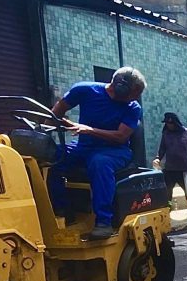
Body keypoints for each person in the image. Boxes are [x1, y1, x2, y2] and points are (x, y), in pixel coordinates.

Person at [48, 67, 146, 240]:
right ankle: (63, 210)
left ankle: (103, 222)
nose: (135, 98)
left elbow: (120, 137)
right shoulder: (85, 90)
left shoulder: (133, 108)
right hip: (83, 147)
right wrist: (58, 122)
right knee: (51, 157)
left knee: (99, 162)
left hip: (115, 151)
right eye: (134, 93)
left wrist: (89, 130)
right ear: (120, 86)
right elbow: (57, 111)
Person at [153, 112, 187, 213]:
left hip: (185, 168)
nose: (169, 126)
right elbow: (162, 148)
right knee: (167, 192)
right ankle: (167, 211)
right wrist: (158, 158)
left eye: (171, 124)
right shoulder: (166, 134)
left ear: (176, 123)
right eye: (167, 124)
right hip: (170, 169)